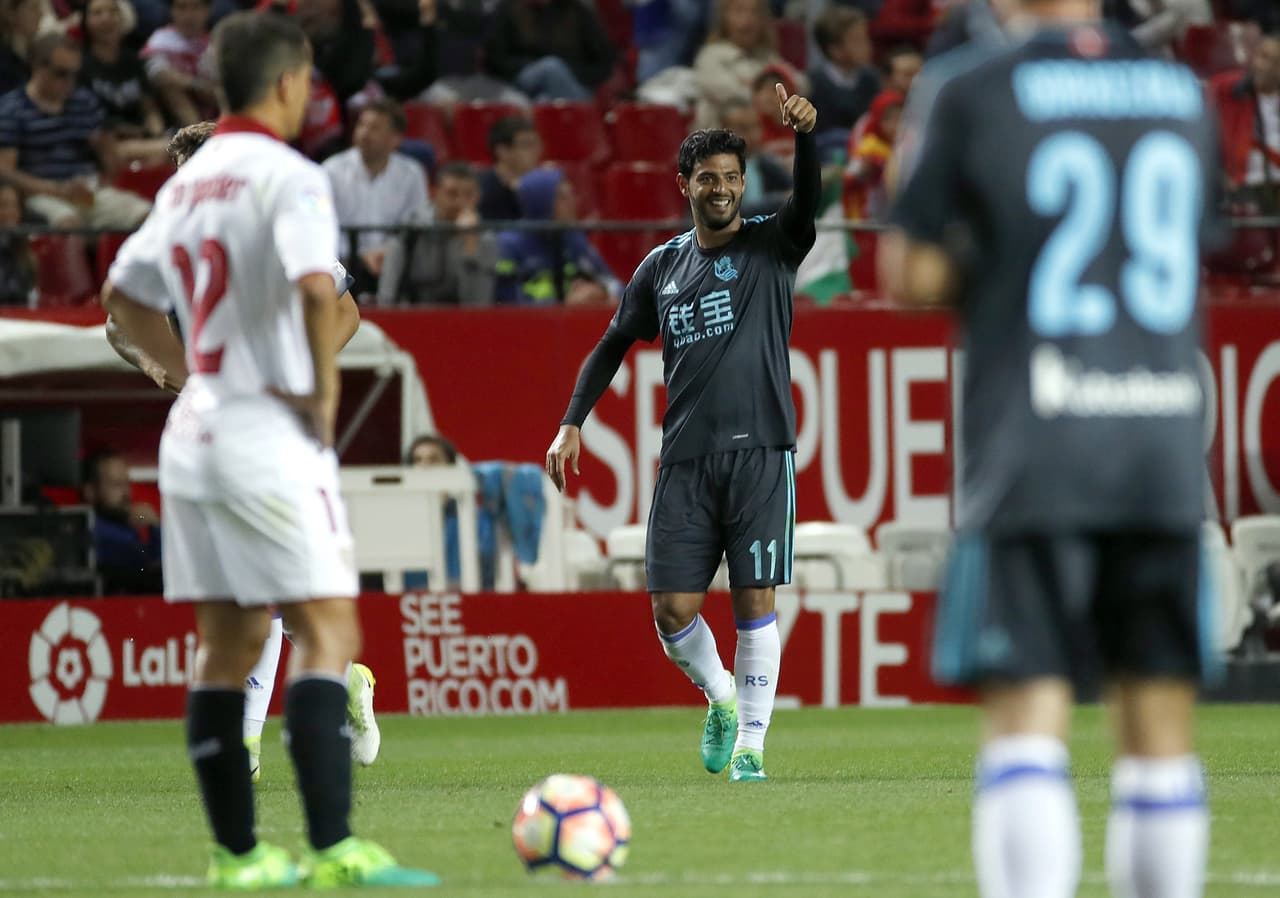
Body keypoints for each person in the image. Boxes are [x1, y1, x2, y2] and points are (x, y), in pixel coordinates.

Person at [880, 1, 1223, 896]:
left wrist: (996, 263)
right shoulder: (1180, 92)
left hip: (1038, 443)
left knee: (1029, 717)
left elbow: (908, 272)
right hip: (1161, 446)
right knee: (1158, 730)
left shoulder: (973, 89)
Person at [100, 12, 435, 888]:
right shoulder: (291, 177)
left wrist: (189, 375)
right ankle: (334, 849)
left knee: (228, 642)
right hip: (265, 430)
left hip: (196, 432)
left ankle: (239, 856)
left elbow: (121, 299)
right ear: (288, 84)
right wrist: (314, 402)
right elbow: (319, 293)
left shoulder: (183, 191)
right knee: (328, 631)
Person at [545, 83, 819, 783]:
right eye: (709, 178)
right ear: (685, 185)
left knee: (755, 599)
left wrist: (809, 140)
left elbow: (808, 207)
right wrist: (572, 421)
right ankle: (722, 698)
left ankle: (752, 748)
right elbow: (611, 343)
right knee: (671, 612)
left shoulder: (770, 246)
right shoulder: (661, 269)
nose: (722, 188)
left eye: (732, 177)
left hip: (761, 454)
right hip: (686, 461)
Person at [103, 118, 378, 790]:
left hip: (277, 423)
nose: (188, 182)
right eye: (181, 172)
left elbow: (346, 311)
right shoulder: (173, 230)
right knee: (256, 591)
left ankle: (251, 741)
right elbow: (116, 319)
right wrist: (156, 364)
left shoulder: (277, 222)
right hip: (211, 427)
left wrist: (299, 376)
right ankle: (339, 686)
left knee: (271, 592)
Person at [0, 32, 152, 229]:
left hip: (88, 192)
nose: (69, 82)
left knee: (148, 216)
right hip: (39, 195)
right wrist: (56, 189)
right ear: (37, 67)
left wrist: (106, 155)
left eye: (74, 74)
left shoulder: (84, 102)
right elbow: (6, 172)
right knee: (67, 223)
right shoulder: (11, 109)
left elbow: (111, 159)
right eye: (61, 73)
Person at [322, 99, 431, 299]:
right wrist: (360, 255)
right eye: (362, 125)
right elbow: (323, 227)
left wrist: (387, 251)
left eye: (374, 128)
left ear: (395, 139)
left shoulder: (412, 173)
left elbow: (417, 222)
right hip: (343, 261)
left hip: (393, 262)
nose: (364, 133)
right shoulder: (331, 170)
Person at [494, 167, 620, 305]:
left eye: (571, 194)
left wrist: (604, 292)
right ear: (541, 202)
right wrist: (563, 305)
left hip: (572, 320)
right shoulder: (508, 245)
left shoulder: (573, 239)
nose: (572, 203)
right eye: (562, 197)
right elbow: (506, 301)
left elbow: (615, 284)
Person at [381, 159, 497, 306]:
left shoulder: (485, 240)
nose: (460, 202)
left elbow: (478, 304)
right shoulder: (410, 232)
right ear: (436, 193)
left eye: (468, 195)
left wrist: (470, 247)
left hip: (461, 323)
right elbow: (387, 297)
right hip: (413, 317)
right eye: (452, 194)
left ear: (478, 197)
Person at [484, 0, 616, 102]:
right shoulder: (509, 9)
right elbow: (496, 60)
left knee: (543, 100)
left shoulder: (577, 11)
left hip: (573, 85)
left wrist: (569, 73)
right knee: (550, 67)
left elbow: (604, 62)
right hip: (522, 81)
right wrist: (531, 65)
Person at [80, 448, 163, 594]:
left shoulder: (128, 528)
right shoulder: (92, 529)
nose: (126, 493)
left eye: (127, 484)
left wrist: (154, 526)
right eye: (116, 485)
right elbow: (143, 564)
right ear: (91, 491)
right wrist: (154, 528)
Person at [807, 5, 879, 139]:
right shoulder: (814, 84)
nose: (867, 46)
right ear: (835, 50)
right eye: (858, 41)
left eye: (866, 38)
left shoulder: (871, 80)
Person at [141, 0, 217, 125]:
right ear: (171, 11)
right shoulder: (161, 39)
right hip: (172, 112)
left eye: (196, 7)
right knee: (170, 86)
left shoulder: (214, 42)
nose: (188, 15)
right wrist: (195, 84)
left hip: (212, 106)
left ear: (207, 11)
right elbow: (158, 74)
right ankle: (195, 135)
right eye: (182, 8)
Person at [719, 97, 791, 218]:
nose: (754, 136)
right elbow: (730, 212)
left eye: (756, 127)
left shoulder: (763, 162)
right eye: (744, 129)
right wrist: (781, 200)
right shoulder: (713, 169)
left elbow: (794, 188)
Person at [477, 114, 540, 221]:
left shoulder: (540, 187)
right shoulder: (482, 190)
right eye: (526, 145)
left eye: (536, 144)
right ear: (502, 151)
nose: (535, 151)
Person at [0, 182, 36, 305]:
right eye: (3, 205)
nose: (10, 212)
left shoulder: (26, 249)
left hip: (20, 319)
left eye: (14, 206)